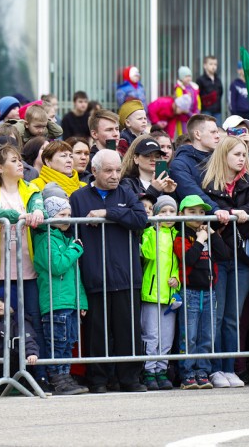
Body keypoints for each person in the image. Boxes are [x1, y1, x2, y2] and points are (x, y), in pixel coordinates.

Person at [70, 149, 148, 392]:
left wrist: (108, 213)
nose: (115, 175)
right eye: (108, 171)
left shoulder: (126, 192)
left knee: (128, 332)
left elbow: (141, 219)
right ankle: (99, 380)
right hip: (95, 276)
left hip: (126, 275)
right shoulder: (78, 197)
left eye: (118, 170)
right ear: (94, 171)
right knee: (97, 333)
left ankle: (130, 379)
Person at [0, 143, 47, 386]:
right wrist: (15, 217)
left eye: (20, 160)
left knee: (32, 321)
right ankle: (4, 377)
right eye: (14, 160)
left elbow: (39, 207)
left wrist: (37, 212)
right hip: (2, 270)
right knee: (3, 324)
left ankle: (37, 376)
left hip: (29, 268)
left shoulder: (30, 188)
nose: (21, 164)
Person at [198, 135, 249, 387]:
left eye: (244, 154)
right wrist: (220, 211)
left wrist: (239, 213)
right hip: (218, 256)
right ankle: (214, 368)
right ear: (223, 155)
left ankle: (229, 367)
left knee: (233, 316)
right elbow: (205, 206)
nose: (242, 159)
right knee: (217, 314)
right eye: (236, 154)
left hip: (242, 257)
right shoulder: (208, 183)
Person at [33, 188, 89, 395]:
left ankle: (65, 376)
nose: (67, 219)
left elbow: (76, 276)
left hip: (70, 302)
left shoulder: (65, 240)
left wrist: (81, 302)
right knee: (58, 342)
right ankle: (57, 378)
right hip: (55, 302)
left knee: (68, 343)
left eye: (69, 215)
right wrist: (75, 249)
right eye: (61, 215)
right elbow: (57, 266)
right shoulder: (46, 239)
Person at [173, 194, 232, 389]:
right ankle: (187, 372)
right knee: (189, 335)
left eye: (201, 212)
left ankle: (202, 370)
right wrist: (199, 240)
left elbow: (224, 254)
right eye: (192, 212)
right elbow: (188, 259)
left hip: (209, 291)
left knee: (207, 334)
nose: (198, 216)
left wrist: (212, 235)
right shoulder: (181, 235)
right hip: (189, 291)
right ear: (181, 214)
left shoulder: (208, 233)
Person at [139, 195, 180, 391]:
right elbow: (147, 254)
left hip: (170, 294)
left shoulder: (176, 235)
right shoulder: (149, 232)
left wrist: (177, 280)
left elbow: (179, 264)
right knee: (151, 335)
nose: (168, 215)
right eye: (163, 212)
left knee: (166, 336)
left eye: (172, 211)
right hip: (151, 293)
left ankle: (162, 370)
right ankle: (149, 370)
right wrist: (153, 229)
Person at [0, 286, 40, 389]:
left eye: (3, 301)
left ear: (14, 304)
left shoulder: (20, 321)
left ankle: (15, 385)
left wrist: (32, 353)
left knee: (10, 352)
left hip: (14, 357)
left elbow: (28, 339)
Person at [170, 114, 226, 221]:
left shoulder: (222, 159)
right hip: (195, 228)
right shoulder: (180, 164)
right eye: (213, 132)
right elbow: (191, 190)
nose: (218, 136)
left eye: (217, 132)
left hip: (225, 223)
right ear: (197, 134)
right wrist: (216, 210)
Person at [120, 136, 177, 200]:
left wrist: (169, 193)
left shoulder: (164, 182)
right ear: (136, 158)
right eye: (147, 155)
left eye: (157, 156)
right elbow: (133, 207)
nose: (153, 159)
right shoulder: (127, 183)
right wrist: (154, 190)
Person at [173, 66, 201, 136]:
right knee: (183, 135)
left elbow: (198, 101)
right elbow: (181, 105)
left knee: (193, 135)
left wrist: (197, 112)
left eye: (189, 76)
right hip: (183, 117)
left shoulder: (194, 88)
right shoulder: (179, 88)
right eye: (186, 76)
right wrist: (190, 114)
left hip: (193, 116)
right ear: (181, 78)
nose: (188, 78)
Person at [196, 56, 222, 122]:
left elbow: (220, 93)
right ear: (205, 66)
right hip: (205, 111)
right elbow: (197, 95)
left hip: (217, 111)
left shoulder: (218, 80)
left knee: (218, 130)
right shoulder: (200, 80)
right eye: (211, 64)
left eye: (215, 64)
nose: (213, 66)